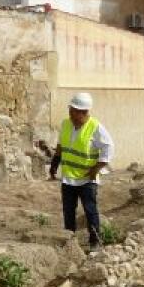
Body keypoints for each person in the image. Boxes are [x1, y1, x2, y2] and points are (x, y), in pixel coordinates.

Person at [49, 92, 113, 249]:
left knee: (90, 211)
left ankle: (95, 242)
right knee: (68, 212)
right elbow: (60, 145)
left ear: (84, 112)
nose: (70, 113)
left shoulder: (95, 127)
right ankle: (69, 242)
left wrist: (96, 169)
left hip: (86, 180)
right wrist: (54, 164)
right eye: (70, 110)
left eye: (73, 111)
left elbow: (108, 148)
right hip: (69, 178)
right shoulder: (66, 124)